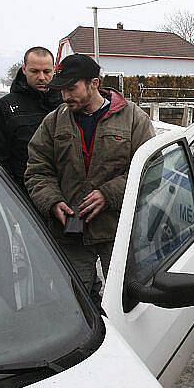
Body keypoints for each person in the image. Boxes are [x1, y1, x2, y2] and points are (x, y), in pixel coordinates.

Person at [25, 54, 155, 304]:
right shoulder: (53, 122)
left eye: (71, 88)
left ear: (94, 83)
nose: (65, 96)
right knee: (75, 303)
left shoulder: (133, 119)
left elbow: (150, 169)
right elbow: (37, 169)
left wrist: (109, 194)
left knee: (127, 300)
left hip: (118, 231)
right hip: (71, 233)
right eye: (62, 90)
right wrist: (52, 201)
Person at [0, 46, 63, 190]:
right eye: (34, 71)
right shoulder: (4, 108)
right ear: (24, 69)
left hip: (67, 193)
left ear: (54, 69)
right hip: (24, 195)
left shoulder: (67, 103)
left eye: (46, 72)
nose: (41, 77)